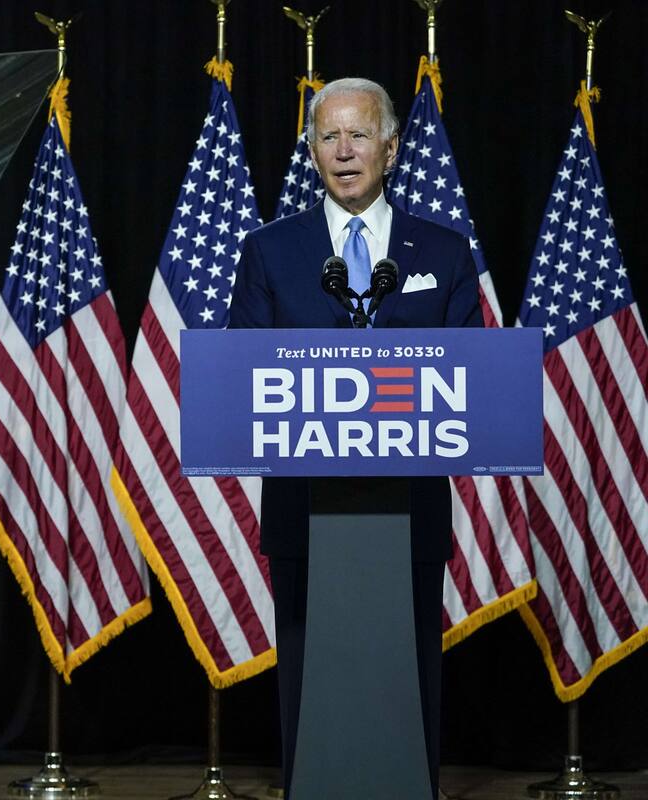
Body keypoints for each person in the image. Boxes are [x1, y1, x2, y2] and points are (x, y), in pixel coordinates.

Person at [228, 78, 482, 798]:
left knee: (406, 682)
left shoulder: (444, 249)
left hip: (410, 514)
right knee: (313, 688)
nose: (344, 151)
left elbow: (473, 372)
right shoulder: (272, 251)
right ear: (310, 152)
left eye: (359, 135)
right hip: (305, 514)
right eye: (328, 137)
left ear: (392, 148)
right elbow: (242, 372)